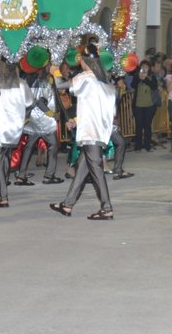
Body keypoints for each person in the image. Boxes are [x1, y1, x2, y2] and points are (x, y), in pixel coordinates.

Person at [50, 45, 116, 219]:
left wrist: (55, 72)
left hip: (90, 132)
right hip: (98, 130)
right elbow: (96, 108)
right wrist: (77, 120)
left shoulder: (86, 78)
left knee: (96, 169)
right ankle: (67, 205)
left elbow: (61, 86)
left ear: (86, 61)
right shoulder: (104, 80)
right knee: (82, 167)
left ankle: (107, 208)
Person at [0, 61, 33, 208]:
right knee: (4, 160)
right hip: (14, 129)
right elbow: (29, 102)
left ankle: (2, 197)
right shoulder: (21, 84)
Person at [15, 68, 63, 185]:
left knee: (29, 147)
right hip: (44, 121)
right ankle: (49, 176)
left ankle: (21, 175)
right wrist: (52, 114)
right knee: (53, 146)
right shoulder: (44, 82)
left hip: (32, 119)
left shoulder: (28, 80)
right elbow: (41, 102)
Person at [131, 60, 159, 152]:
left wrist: (145, 78)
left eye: (146, 67)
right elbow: (133, 85)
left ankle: (147, 146)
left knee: (147, 126)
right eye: (142, 66)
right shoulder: (136, 76)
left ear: (149, 68)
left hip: (149, 105)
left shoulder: (152, 76)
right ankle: (138, 146)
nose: (144, 68)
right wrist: (139, 78)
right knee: (139, 126)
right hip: (138, 104)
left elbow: (154, 86)